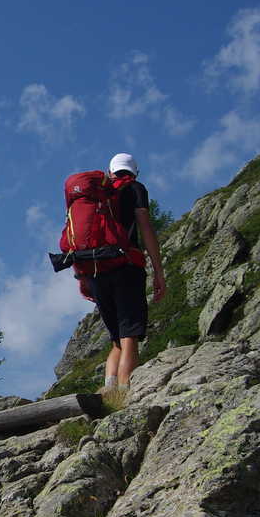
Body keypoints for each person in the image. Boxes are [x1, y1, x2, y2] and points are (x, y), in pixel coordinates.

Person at [79, 153, 166, 393]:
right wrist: (158, 271)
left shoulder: (96, 195)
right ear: (134, 172)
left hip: (96, 269)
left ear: (110, 172)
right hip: (126, 267)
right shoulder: (135, 189)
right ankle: (125, 395)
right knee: (129, 337)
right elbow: (145, 227)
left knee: (116, 340)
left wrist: (82, 277)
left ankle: (109, 393)